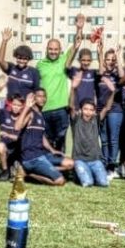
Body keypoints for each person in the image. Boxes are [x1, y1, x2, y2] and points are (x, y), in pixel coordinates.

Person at [38, 15, 84, 152]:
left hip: (61, 109)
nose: (53, 51)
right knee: (46, 143)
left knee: (60, 142)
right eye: (50, 49)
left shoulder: (64, 60)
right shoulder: (39, 65)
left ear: (60, 50)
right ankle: (49, 172)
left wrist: (79, 29)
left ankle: (61, 170)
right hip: (44, 109)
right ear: (47, 49)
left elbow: (76, 44)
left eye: (56, 49)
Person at [13, 89, 74, 186]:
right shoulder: (30, 113)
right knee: (60, 181)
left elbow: (41, 136)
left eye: (44, 96)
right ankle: (27, 174)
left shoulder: (41, 115)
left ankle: (34, 170)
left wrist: (52, 150)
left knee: (70, 163)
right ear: (34, 98)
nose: (42, 99)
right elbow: (17, 127)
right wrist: (26, 107)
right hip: (32, 158)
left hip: (43, 154)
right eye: (39, 96)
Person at [96, 43, 124, 179]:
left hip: (115, 110)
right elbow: (101, 69)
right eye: (108, 59)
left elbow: (123, 74)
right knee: (104, 139)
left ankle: (112, 166)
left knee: (113, 138)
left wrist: (118, 56)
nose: (110, 62)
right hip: (101, 109)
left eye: (113, 60)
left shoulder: (118, 74)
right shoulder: (101, 75)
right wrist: (100, 53)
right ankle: (105, 163)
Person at [71, 99, 113, 187]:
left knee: (104, 183)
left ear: (94, 112)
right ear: (81, 110)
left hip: (95, 160)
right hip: (80, 160)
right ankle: (78, 173)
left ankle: (92, 173)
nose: (88, 112)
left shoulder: (96, 119)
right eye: (85, 109)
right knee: (88, 183)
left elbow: (107, 107)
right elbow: (71, 106)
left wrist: (113, 91)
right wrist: (73, 88)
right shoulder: (76, 120)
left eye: (91, 110)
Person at [0, 27, 41, 100]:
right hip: (10, 106)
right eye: (19, 58)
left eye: (25, 59)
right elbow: (0, 60)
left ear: (29, 59)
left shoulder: (34, 72)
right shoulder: (11, 68)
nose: (22, 61)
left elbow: (36, 92)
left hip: (25, 108)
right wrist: (4, 41)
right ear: (16, 57)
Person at [0, 83, 24, 182]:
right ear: (10, 104)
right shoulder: (4, 114)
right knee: (0, 146)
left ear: (22, 107)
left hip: (18, 151)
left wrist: (8, 135)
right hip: (6, 149)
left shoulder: (24, 118)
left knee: (21, 176)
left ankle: (15, 167)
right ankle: (5, 171)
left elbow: (20, 138)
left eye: (19, 105)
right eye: (14, 104)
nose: (16, 107)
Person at [67, 47, 97, 115]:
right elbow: (67, 66)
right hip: (77, 109)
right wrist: (75, 49)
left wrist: (100, 54)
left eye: (88, 60)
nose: (86, 63)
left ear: (91, 60)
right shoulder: (75, 71)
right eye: (83, 60)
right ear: (79, 60)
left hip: (90, 109)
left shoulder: (93, 73)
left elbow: (101, 72)